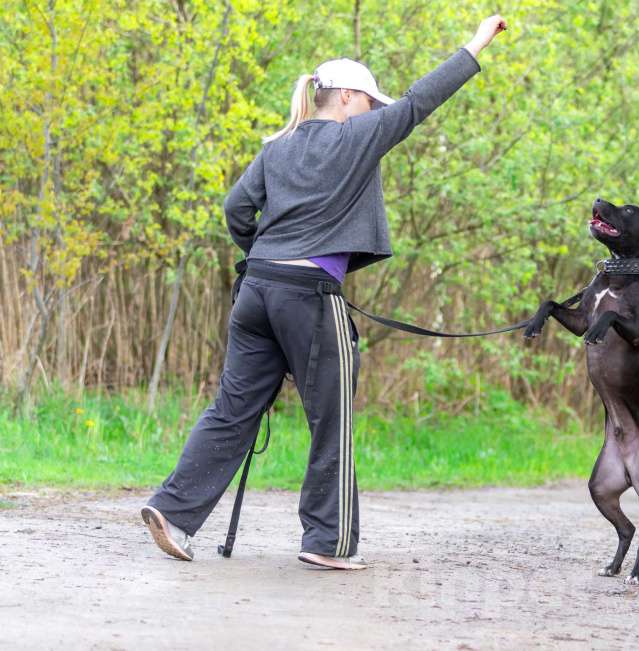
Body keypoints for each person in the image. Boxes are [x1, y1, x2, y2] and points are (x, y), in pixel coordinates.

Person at [141, 15, 508, 569]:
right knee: (331, 419)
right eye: (370, 101)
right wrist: (477, 43)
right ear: (348, 98)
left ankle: (173, 510)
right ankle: (327, 544)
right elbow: (419, 100)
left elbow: (236, 210)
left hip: (257, 291)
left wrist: (261, 251)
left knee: (232, 410)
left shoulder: (277, 147)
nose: (377, 112)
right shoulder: (356, 137)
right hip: (310, 297)